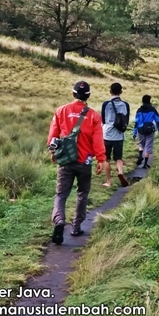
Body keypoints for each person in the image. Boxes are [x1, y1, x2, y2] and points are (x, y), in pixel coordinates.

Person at [47, 80, 105, 245]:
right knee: (82, 193)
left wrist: (53, 152)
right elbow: (98, 140)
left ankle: (59, 220)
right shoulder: (94, 116)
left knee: (61, 194)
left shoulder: (61, 111)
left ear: (73, 94)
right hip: (84, 161)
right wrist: (101, 159)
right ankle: (76, 226)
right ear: (88, 96)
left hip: (65, 160)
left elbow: (53, 136)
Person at [101, 82, 130, 188]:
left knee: (106, 158)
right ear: (121, 92)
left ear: (110, 92)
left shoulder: (106, 104)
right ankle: (120, 172)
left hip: (107, 134)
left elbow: (103, 120)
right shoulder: (125, 105)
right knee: (118, 158)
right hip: (119, 135)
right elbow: (126, 120)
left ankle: (108, 182)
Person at [132, 94, 159, 169]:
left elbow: (136, 122)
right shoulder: (153, 109)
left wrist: (134, 132)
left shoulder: (139, 110)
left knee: (141, 144)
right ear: (149, 101)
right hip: (150, 130)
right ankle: (145, 164)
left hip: (140, 129)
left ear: (142, 101)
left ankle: (140, 156)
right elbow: (157, 120)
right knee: (148, 145)